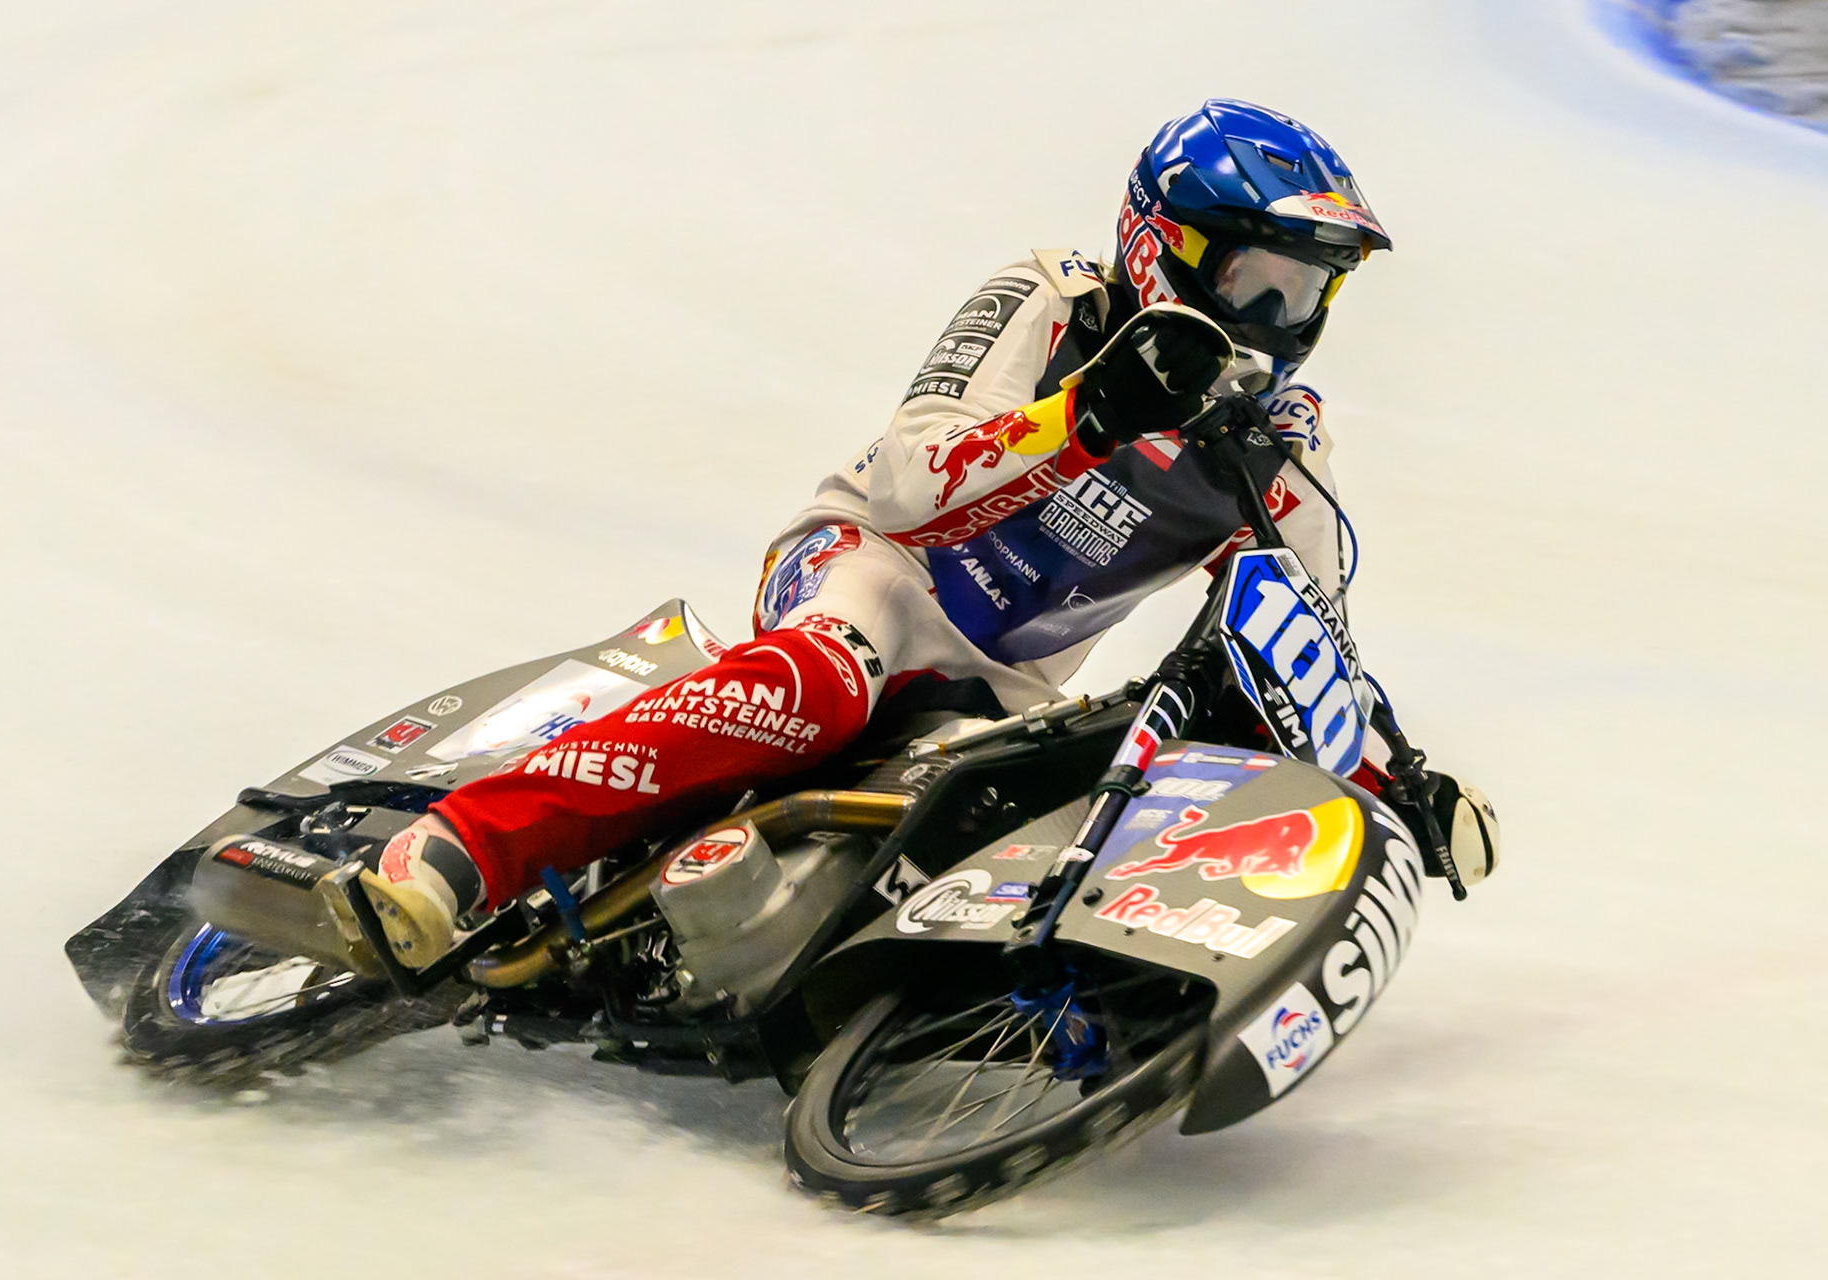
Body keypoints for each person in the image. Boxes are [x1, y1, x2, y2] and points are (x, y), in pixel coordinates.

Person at [343, 99, 1497, 966]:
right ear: (1169, 248)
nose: (1280, 326)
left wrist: (1394, 774)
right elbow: (905, 477)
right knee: (821, 685)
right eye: (1262, 284)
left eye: (1309, 298)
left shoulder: (1278, 440)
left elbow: (1302, 628)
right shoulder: (1057, 300)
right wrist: (1086, 413)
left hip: (1006, 683)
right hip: (871, 575)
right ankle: (462, 844)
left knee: (1088, 798)